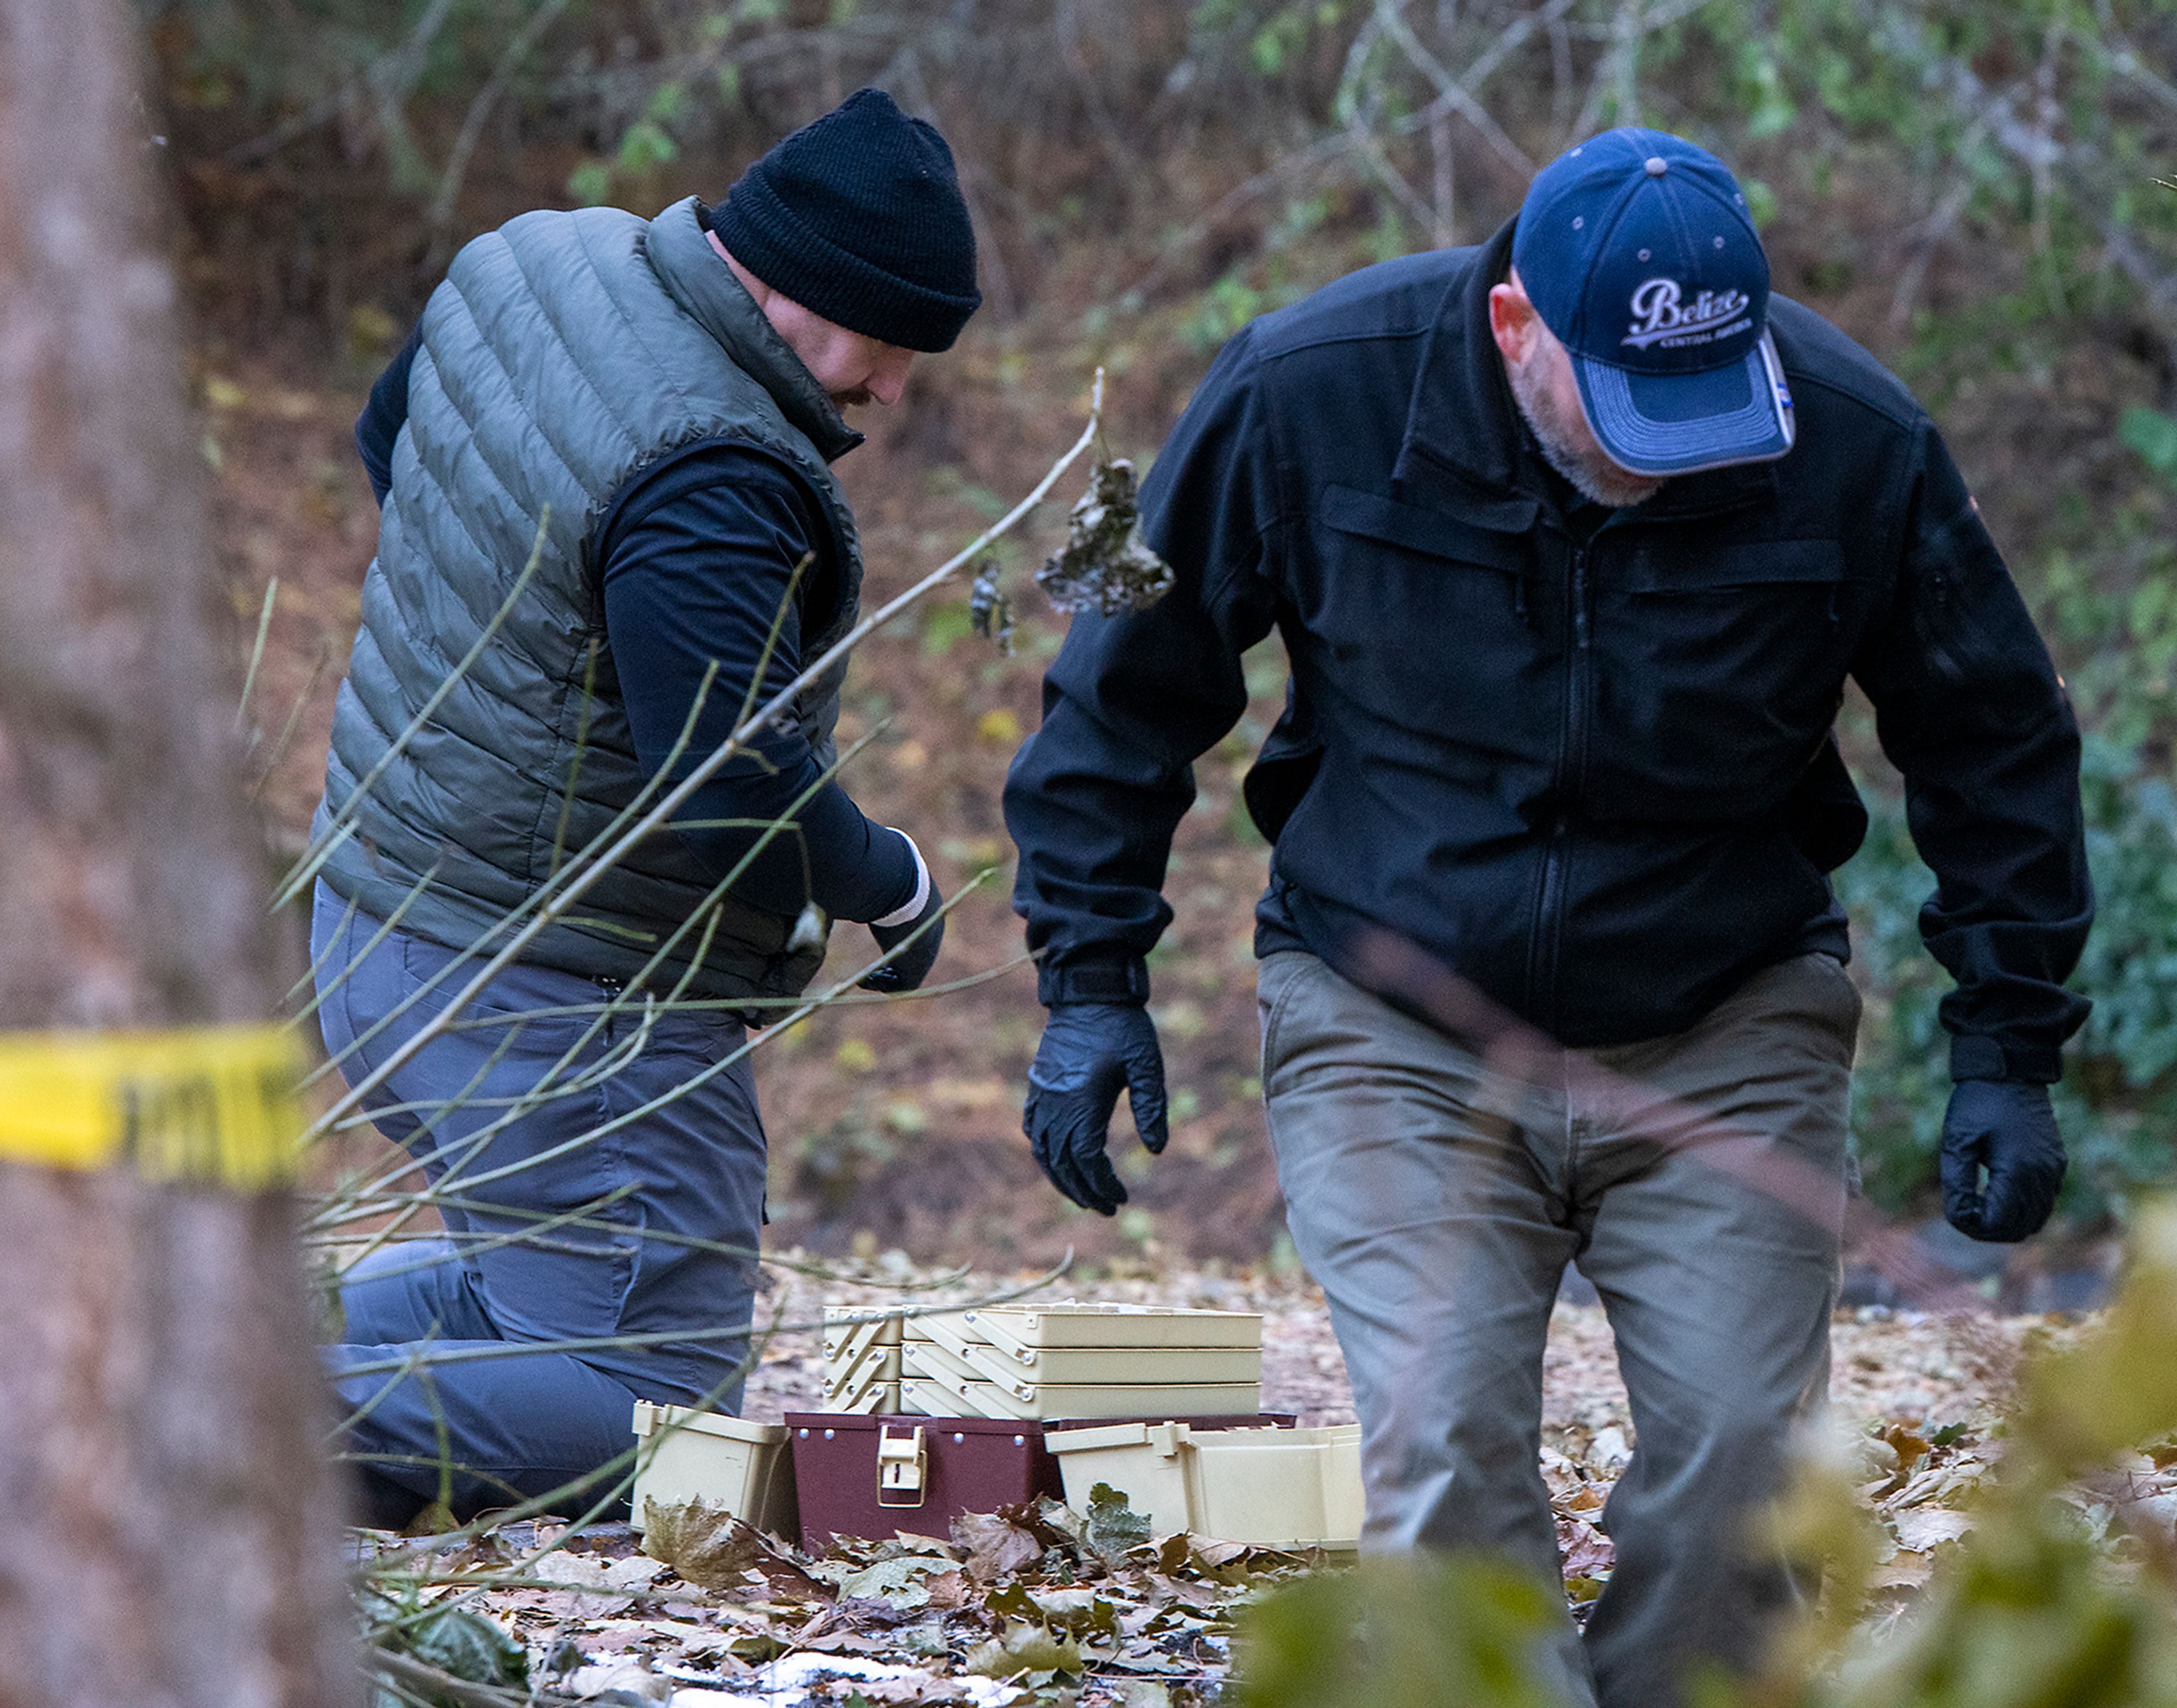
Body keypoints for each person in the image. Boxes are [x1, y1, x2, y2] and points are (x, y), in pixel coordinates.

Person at [1003, 128, 2090, 1707]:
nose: (1676, 453)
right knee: (1445, 1439)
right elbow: (1118, 686)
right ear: (1518, 325)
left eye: (1713, 402)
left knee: (1743, 1474)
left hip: (1725, 1008)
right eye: (1637, 409)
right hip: (1395, 1010)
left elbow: (1995, 732)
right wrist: (1087, 975)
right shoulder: (1308, 390)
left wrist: (2011, 1036)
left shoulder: (1850, 435)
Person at [309, 89, 979, 1524]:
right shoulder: (715, 464)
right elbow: (724, 777)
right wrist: (891, 878)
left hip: (371, 918)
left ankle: (227, 1338)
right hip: (545, 988)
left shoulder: (528, 263)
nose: (894, 391)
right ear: (824, 297)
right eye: (898, 351)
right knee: (646, 1409)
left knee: (550, 1287)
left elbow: (397, 449)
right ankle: (203, 1431)